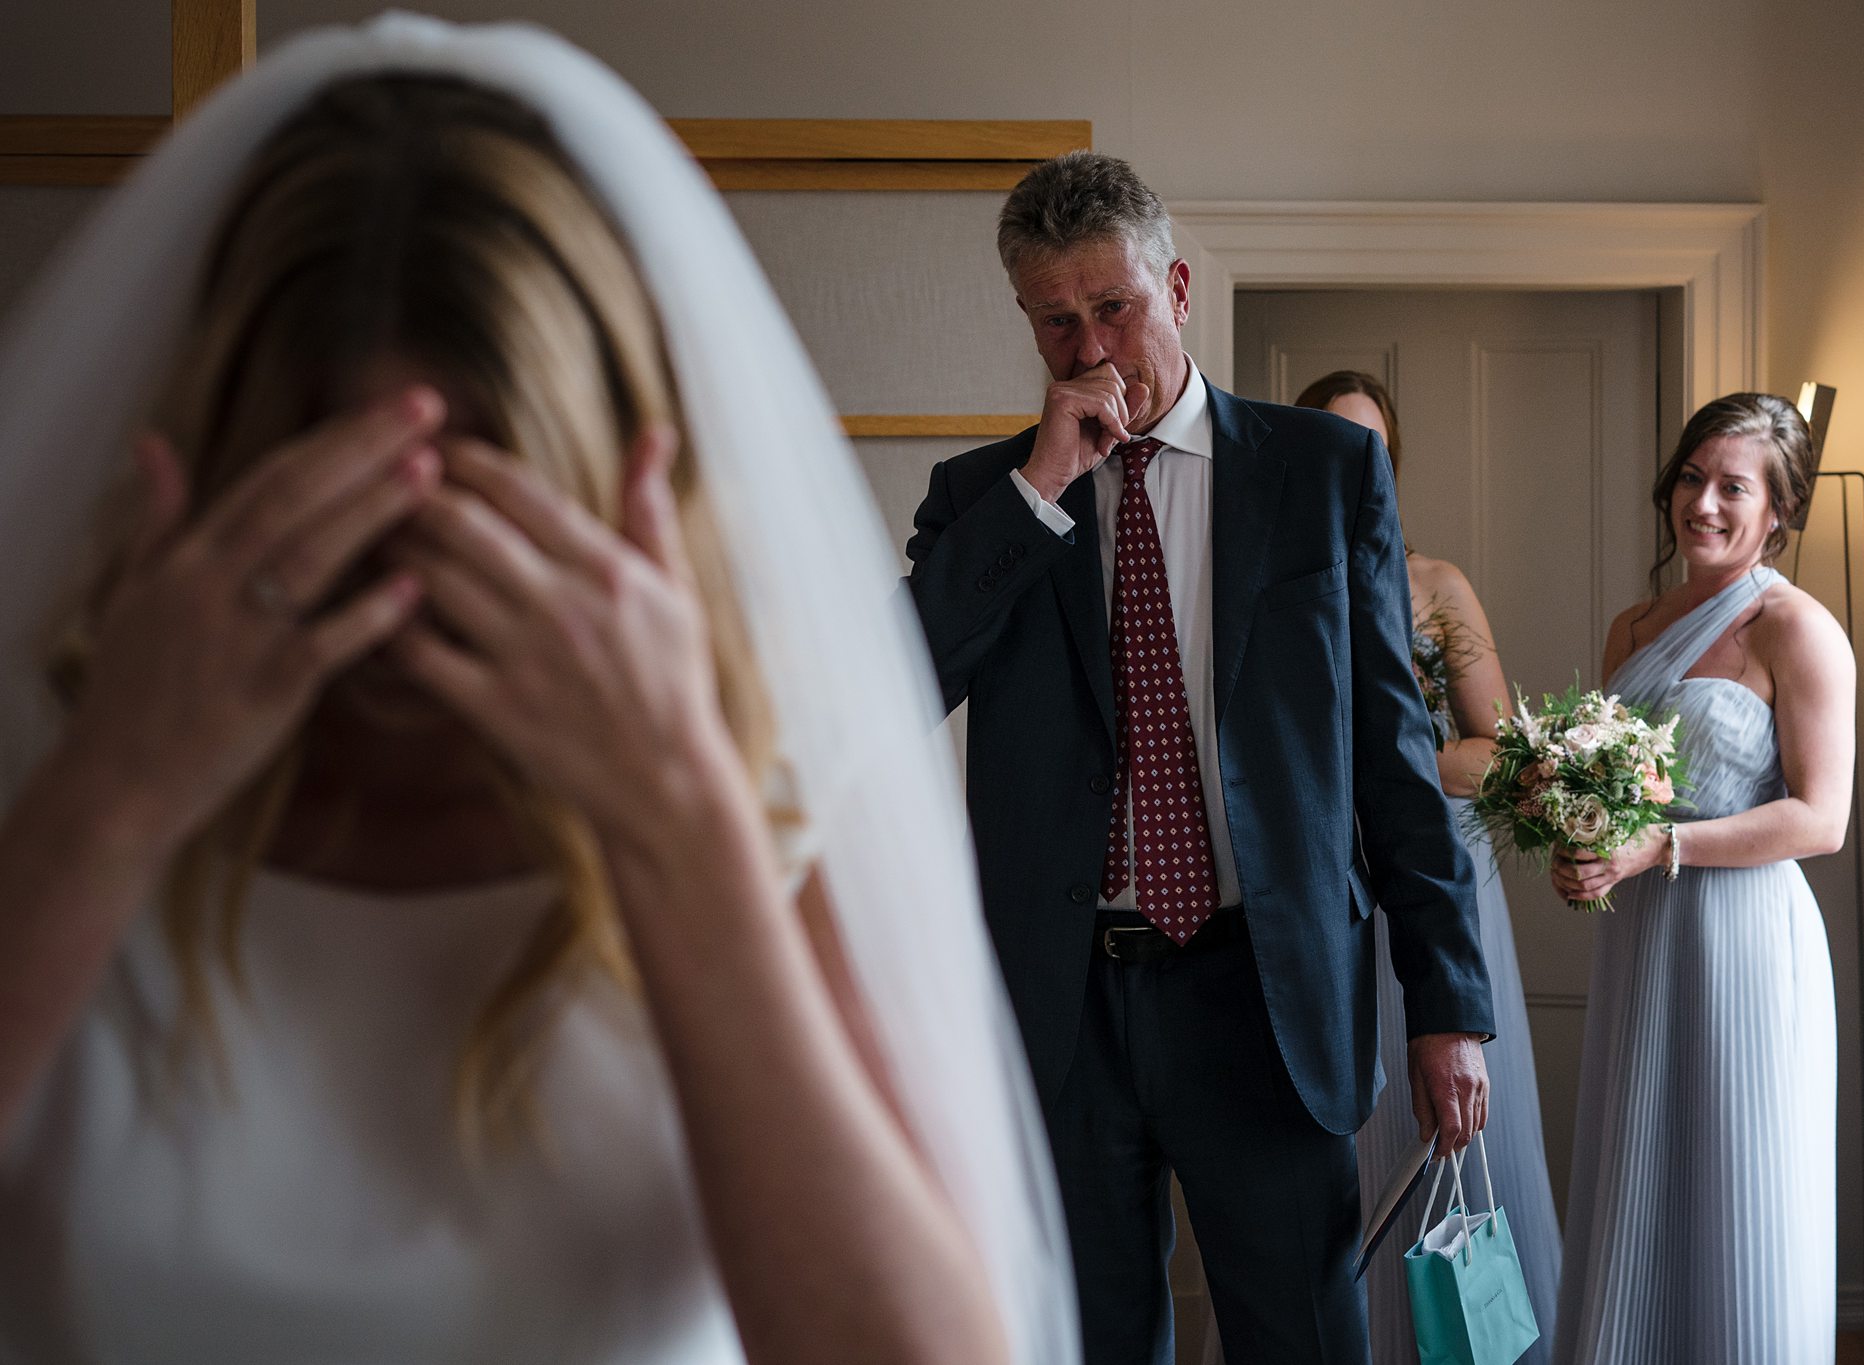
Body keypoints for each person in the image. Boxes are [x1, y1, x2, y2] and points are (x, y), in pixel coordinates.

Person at [0, 17, 1075, 1365]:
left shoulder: (765, 793)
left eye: (492, 519)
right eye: (333, 514)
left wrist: (683, 825)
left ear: (614, 489)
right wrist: (107, 800)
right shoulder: (54, 760)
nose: (414, 595)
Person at [905, 151, 1495, 1365]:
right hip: (1062, 1004)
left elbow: (1389, 750)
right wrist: (1040, 487)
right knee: (1085, 1340)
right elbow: (891, 683)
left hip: (1260, 991)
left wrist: (1447, 1004)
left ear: (1173, 286)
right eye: (1053, 321)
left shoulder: (1324, 476)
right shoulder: (982, 499)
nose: (1087, 347)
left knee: (1298, 1337)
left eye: (1111, 308)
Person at [1549, 394, 1850, 1364]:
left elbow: (1820, 817)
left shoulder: (1792, 628)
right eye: (1691, 476)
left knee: (1740, 1182)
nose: (1704, 502)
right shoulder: (1630, 626)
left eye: (1732, 485)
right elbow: (1608, 787)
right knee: (1639, 1175)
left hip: (1745, 945)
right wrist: (1582, 844)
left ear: (1777, 511)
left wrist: (1659, 849)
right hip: (1643, 934)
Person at [1299, 369, 1562, 1365]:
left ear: (1387, 465)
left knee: (1452, 1128)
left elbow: (1500, 748)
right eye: (1328, 444)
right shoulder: (1263, 583)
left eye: (1366, 448)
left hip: (1435, 873)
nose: (1348, 465)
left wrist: (1385, 766)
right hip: (1322, 886)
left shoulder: (1435, 586)